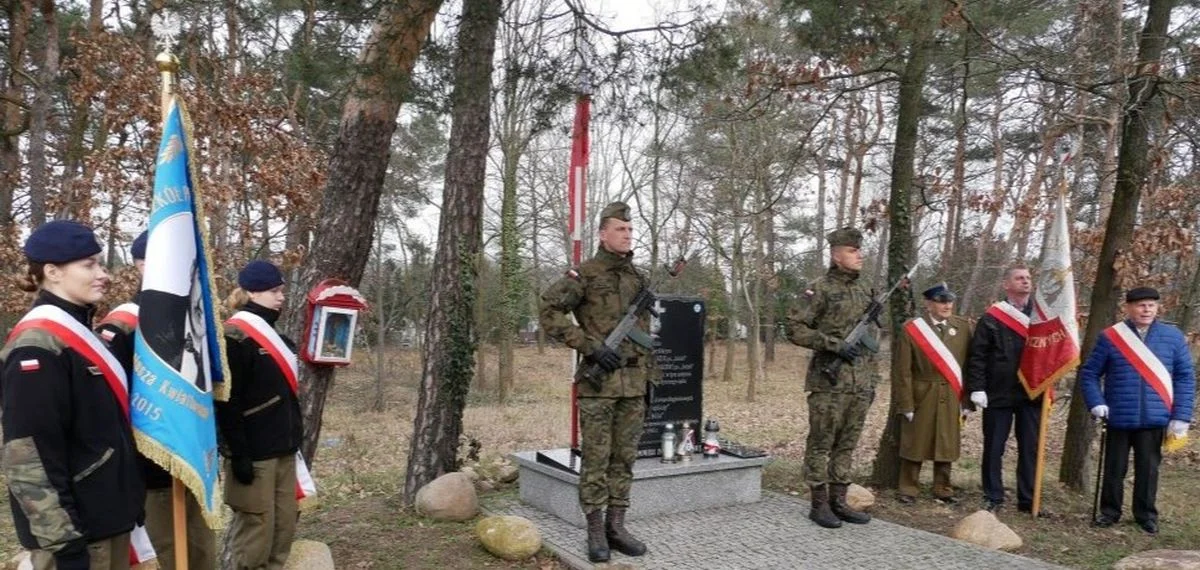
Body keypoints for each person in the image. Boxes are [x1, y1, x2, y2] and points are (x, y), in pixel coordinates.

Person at [1, 220, 144, 569]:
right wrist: (63, 542)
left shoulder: (82, 333)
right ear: (52, 272)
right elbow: (29, 454)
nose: (103, 274)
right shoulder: (38, 345)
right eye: (89, 264)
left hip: (106, 520)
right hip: (77, 534)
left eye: (100, 262)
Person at [539, 202, 658, 563]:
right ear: (603, 233)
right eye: (620, 229)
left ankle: (616, 527)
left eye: (630, 229)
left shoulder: (637, 277)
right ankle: (594, 531)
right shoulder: (584, 274)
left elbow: (643, 334)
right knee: (595, 459)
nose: (628, 235)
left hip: (634, 384)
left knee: (624, 459)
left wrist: (651, 378)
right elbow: (548, 311)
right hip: (599, 384)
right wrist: (589, 347)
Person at [97, 230, 217, 569]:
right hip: (150, 469)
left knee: (202, 554)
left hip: (196, 461)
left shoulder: (194, 322)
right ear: (142, 264)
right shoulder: (122, 327)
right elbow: (110, 406)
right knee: (164, 555)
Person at [1080, 287, 1194, 534]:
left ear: (1157, 308)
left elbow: (1185, 377)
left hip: (1155, 416)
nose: (1146, 310)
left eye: (1151, 305)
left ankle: (1146, 515)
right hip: (1118, 415)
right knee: (1114, 468)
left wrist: (1181, 416)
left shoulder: (1172, 337)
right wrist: (1095, 402)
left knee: (1148, 469)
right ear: (1129, 308)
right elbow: (1089, 374)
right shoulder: (1111, 337)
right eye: (1141, 305)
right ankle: (1109, 512)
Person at [785, 227, 875, 529]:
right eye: (852, 250)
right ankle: (819, 504)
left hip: (860, 383)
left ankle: (839, 500)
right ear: (837, 256)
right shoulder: (818, 288)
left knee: (847, 444)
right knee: (822, 443)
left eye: (859, 249)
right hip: (829, 382)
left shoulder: (867, 289)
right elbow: (794, 327)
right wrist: (834, 344)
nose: (859, 254)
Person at [216, 260, 303, 570]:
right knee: (256, 533)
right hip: (254, 453)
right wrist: (238, 453)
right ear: (252, 291)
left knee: (283, 528)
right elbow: (227, 402)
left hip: (284, 448)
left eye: (281, 290)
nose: (281, 296)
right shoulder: (233, 337)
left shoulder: (277, 337)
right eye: (274, 291)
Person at [965, 264, 1042, 513]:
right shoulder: (992, 317)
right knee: (994, 447)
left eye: (1028, 278)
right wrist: (977, 388)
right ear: (1006, 284)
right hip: (998, 392)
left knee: (1030, 448)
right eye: (1019, 278)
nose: (1025, 282)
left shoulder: (1042, 316)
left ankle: (1028, 499)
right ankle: (993, 496)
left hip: (1032, 392)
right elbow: (977, 355)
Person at [893, 282, 973, 504]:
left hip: (952, 393)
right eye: (941, 301)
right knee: (915, 441)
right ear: (928, 303)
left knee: (946, 442)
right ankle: (908, 488)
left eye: (949, 301)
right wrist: (906, 403)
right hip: (922, 392)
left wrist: (967, 399)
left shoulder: (964, 327)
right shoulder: (912, 329)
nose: (947, 305)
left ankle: (943, 488)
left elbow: (968, 366)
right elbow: (903, 371)